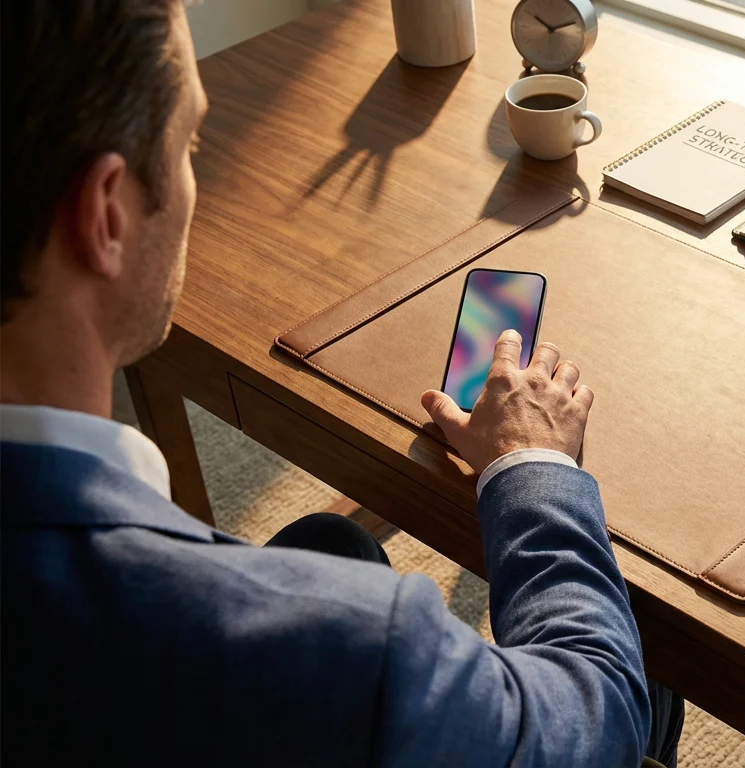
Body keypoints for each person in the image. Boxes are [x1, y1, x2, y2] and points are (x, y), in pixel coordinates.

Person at [0, 1, 682, 765]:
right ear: (106, 216)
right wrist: (532, 463)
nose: (194, 174)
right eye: (190, 142)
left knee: (328, 543)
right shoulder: (343, 644)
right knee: (640, 647)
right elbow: (595, 721)